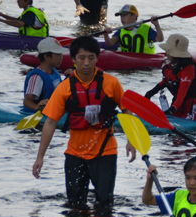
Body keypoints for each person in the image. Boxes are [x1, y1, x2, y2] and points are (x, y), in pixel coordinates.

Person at [32, 36, 136, 208]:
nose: (86, 63)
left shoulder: (111, 83)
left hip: (105, 152)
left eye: (91, 58)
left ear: (97, 58)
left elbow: (126, 110)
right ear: (73, 59)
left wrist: (131, 140)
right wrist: (40, 157)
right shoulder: (65, 88)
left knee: (104, 204)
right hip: (75, 154)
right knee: (74, 206)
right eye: (81, 58)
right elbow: (50, 123)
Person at [144, 34, 196, 120]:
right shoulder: (170, 64)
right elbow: (167, 81)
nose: (166, 52)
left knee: (184, 132)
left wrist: (171, 110)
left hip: (191, 105)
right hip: (177, 103)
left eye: (168, 50)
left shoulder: (188, 69)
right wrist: (150, 93)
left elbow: (182, 94)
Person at [23, 37, 66, 113]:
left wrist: (69, 78)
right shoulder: (36, 77)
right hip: (37, 115)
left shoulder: (54, 71)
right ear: (46, 56)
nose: (61, 58)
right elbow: (27, 101)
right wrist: (37, 107)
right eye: (58, 55)